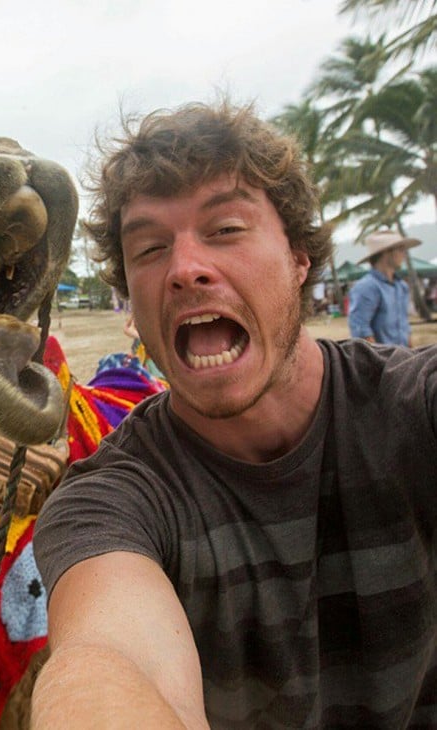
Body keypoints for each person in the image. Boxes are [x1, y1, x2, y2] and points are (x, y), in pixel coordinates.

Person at [31, 102, 436, 729]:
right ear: (130, 300)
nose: (184, 268)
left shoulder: (413, 410)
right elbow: (106, 660)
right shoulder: (108, 502)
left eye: (225, 230)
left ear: (299, 258)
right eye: (150, 247)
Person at [347, 230, 421, 346]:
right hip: (382, 361)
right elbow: (361, 331)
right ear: (386, 252)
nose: (404, 254)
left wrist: (411, 356)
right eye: (400, 249)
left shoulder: (401, 287)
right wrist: (380, 361)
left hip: (403, 358)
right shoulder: (367, 287)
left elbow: (404, 326)